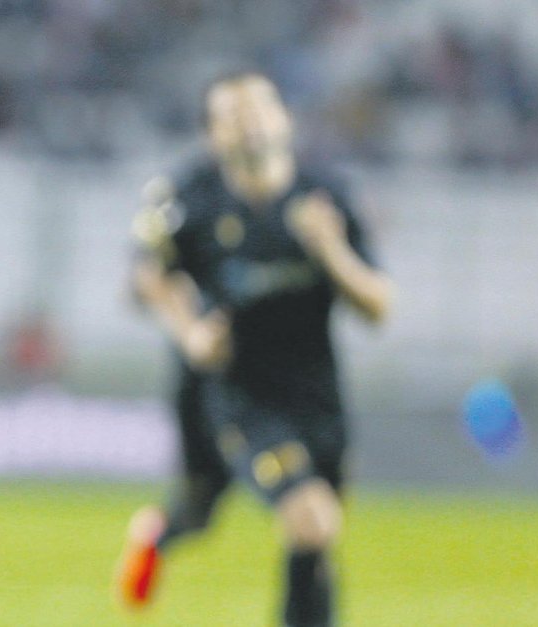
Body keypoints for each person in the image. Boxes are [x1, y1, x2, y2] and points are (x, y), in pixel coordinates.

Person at [115, 71, 393, 627]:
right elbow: (146, 279)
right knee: (310, 519)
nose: (250, 124)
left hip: (316, 390)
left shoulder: (327, 196)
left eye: (260, 109)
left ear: (285, 119)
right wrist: (190, 331)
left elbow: (378, 306)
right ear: (213, 134)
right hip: (234, 387)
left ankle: (156, 534)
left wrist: (331, 251)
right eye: (233, 115)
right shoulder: (188, 197)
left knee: (286, 527)